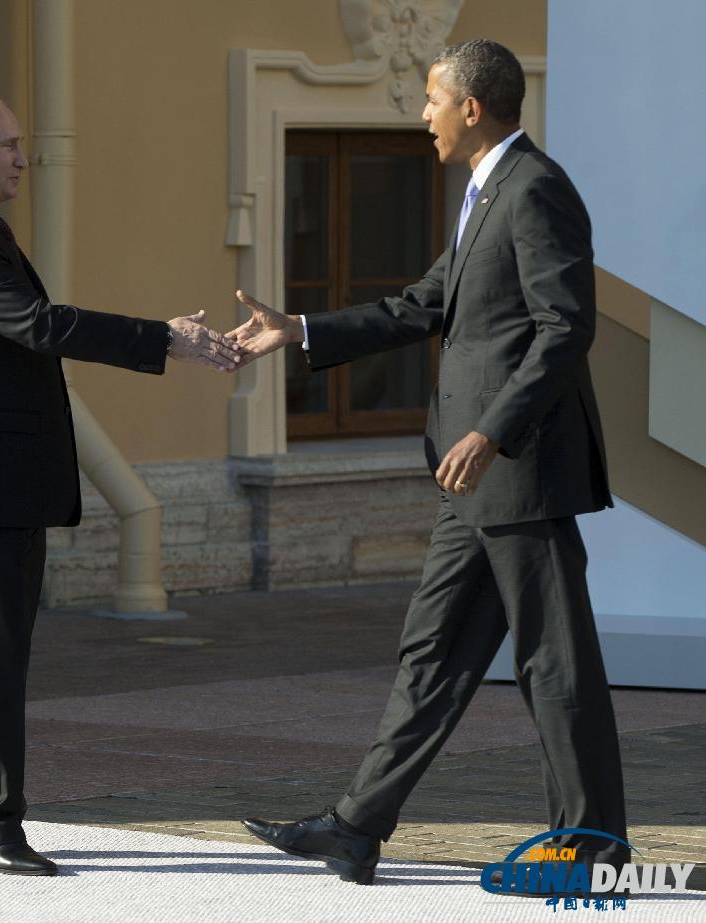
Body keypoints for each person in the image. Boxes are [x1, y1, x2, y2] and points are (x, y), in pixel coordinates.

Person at [231, 40, 628, 887]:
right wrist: (297, 331)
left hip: (516, 470)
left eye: (431, 99)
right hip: (469, 481)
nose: (422, 114)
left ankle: (591, 845)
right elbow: (424, 305)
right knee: (431, 653)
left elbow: (565, 328)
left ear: (472, 107)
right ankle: (357, 825)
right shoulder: (484, 193)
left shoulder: (536, 189)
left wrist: (492, 429)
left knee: (553, 660)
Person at [0, 92, 240, 876]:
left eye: (22, 143)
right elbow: (40, 325)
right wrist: (164, 339)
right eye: (8, 145)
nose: (23, 156)